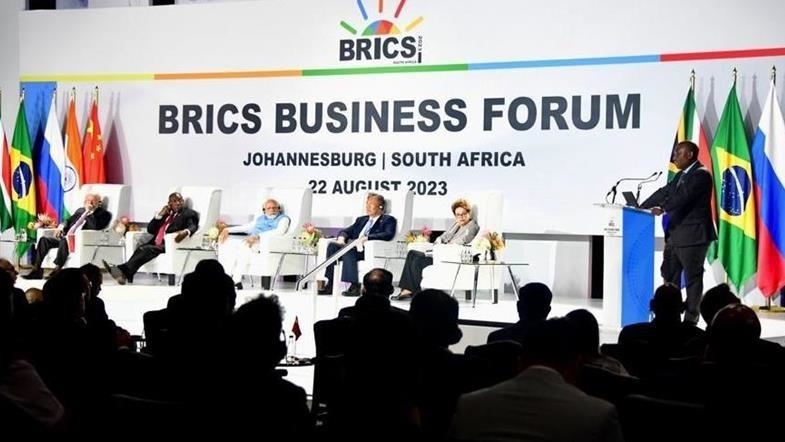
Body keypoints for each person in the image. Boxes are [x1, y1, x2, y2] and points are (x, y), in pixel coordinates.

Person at [640, 140, 716, 324]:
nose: (674, 157)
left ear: (689, 155)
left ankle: (690, 320)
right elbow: (664, 192)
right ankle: (669, 317)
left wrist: (662, 208)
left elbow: (684, 197)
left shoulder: (701, 175)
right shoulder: (681, 175)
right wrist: (641, 207)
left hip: (693, 236)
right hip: (675, 235)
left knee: (692, 279)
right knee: (669, 276)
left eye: (677, 154)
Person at [392, 198, 479, 301]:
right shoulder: (456, 225)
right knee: (412, 253)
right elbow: (442, 237)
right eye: (458, 215)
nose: (461, 217)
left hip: (447, 257)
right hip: (439, 253)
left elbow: (462, 241)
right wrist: (440, 241)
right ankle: (407, 289)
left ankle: (417, 295)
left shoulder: (472, 226)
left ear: (469, 213)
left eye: (464, 214)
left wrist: (443, 245)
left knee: (418, 261)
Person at [103, 192, 198, 285]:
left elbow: (193, 226)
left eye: (180, 200)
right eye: (175, 201)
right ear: (169, 204)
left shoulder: (188, 213)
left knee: (144, 249)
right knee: (141, 249)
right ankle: (124, 274)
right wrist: (160, 215)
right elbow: (151, 229)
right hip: (156, 243)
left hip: (169, 244)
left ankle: (121, 271)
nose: (178, 203)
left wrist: (186, 232)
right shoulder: (166, 214)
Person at [319, 193, 396, 297]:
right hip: (354, 249)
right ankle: (330, 284)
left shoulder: (388, 220)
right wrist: (342, 237)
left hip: (367, 250)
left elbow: (388, 234)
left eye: (371, 204)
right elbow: (346, 231)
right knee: (333, 246)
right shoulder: (362, 219)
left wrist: (367, 238)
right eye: (367, 204)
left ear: (380, 207)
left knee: (348, 249)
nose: (367, 207)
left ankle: (354, 286)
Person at [22, 193, 111, 280]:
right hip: (66, 237)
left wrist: (88, 212)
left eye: (92, 201)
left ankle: (57, 270)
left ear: (98, 203)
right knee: (44, 240)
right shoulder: (80, 210)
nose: (90, 203)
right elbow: (68, 220)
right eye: (88, 201)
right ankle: (37, 270)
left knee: (64, 240)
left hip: (79, 240)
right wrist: (61, 227)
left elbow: (95, 226)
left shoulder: (104, 214)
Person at [217, 198, 290, 290]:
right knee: (230, 245)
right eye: (269, 208)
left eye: (274, 208)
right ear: (264, 210)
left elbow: (280, 231)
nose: (272, 210)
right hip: (251, 241)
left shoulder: (283, 219)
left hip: (265, 243)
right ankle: (227, 277)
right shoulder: (260, 218)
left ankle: (235, 280)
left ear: (279, 209)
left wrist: (258, 237)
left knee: (245, 246)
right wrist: (227, 230)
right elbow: (246, 227)